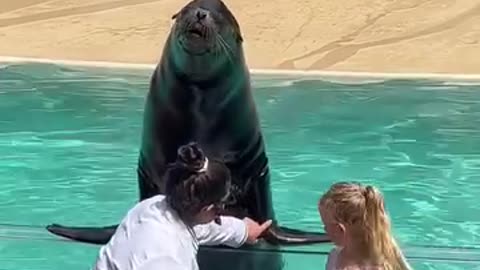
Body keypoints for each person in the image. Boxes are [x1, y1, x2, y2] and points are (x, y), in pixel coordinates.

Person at [93, 142, 272, 270]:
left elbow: (199, 229)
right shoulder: (167, 259)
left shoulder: (150, 207)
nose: (220, 215)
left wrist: (244, 230)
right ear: (206, 209)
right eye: (221, 207)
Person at [318, 182, 412, 270]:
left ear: (340, 230)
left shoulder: (335, 258)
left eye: (326, 225)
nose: (325, 230)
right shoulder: (389, 251)